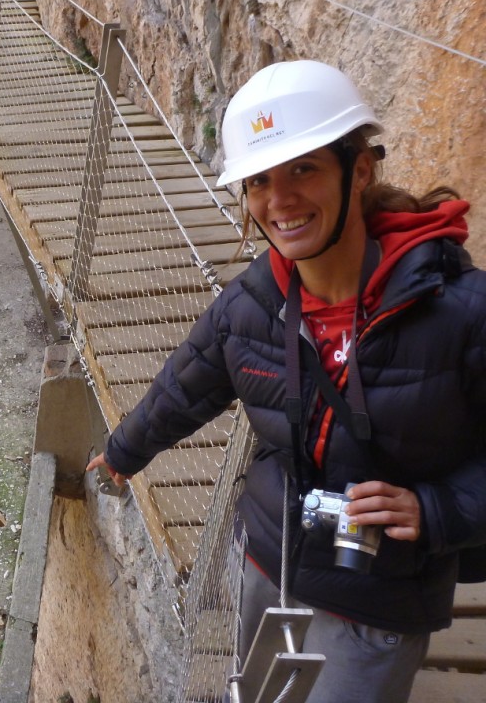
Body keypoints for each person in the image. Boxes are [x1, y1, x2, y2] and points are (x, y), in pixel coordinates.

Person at [87, 59, 486, 703]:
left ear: (358, 171)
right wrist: (123, 453)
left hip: (377, 596)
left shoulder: (462, 313)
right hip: (272, 564)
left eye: (304, 169)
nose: (280, 201)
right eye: (260, 181)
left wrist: (436, 509)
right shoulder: (253, 303)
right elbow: (184, 388)